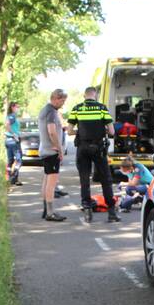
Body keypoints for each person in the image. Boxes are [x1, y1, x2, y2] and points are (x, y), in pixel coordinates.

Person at [66, 86, 120, 223]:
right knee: (106, 179)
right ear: (95, 96)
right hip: (98, 148)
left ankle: (88, 211)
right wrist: (102, 131)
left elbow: (69, 131)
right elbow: (112, 131)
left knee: (84, 180)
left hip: (82, 148)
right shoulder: (102, 108)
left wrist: (82, 132)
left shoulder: (77, 108)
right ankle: (111, 212)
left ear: (85, 96)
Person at [38, 89, 68, 222]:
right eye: (62, 101)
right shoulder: (51, 112)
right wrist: (60, 149)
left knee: (46, 181)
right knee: (51, 182)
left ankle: (46, 210)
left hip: (45, 150)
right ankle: (50, 213)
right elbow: (52, 132)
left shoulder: (45, 110)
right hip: (51, 152)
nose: (63, 103)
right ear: (55, 98)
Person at [4, 101, 23, 186]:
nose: (18, 109)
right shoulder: (12, 116)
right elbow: (7, 125)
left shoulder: (9, 116)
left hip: (8, 140)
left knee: (10, 160)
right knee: (19, 160)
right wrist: (14, 134)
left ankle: (8, 178)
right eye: (17, 107)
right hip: (13, 141)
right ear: (12, 107)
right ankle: (13, 178)